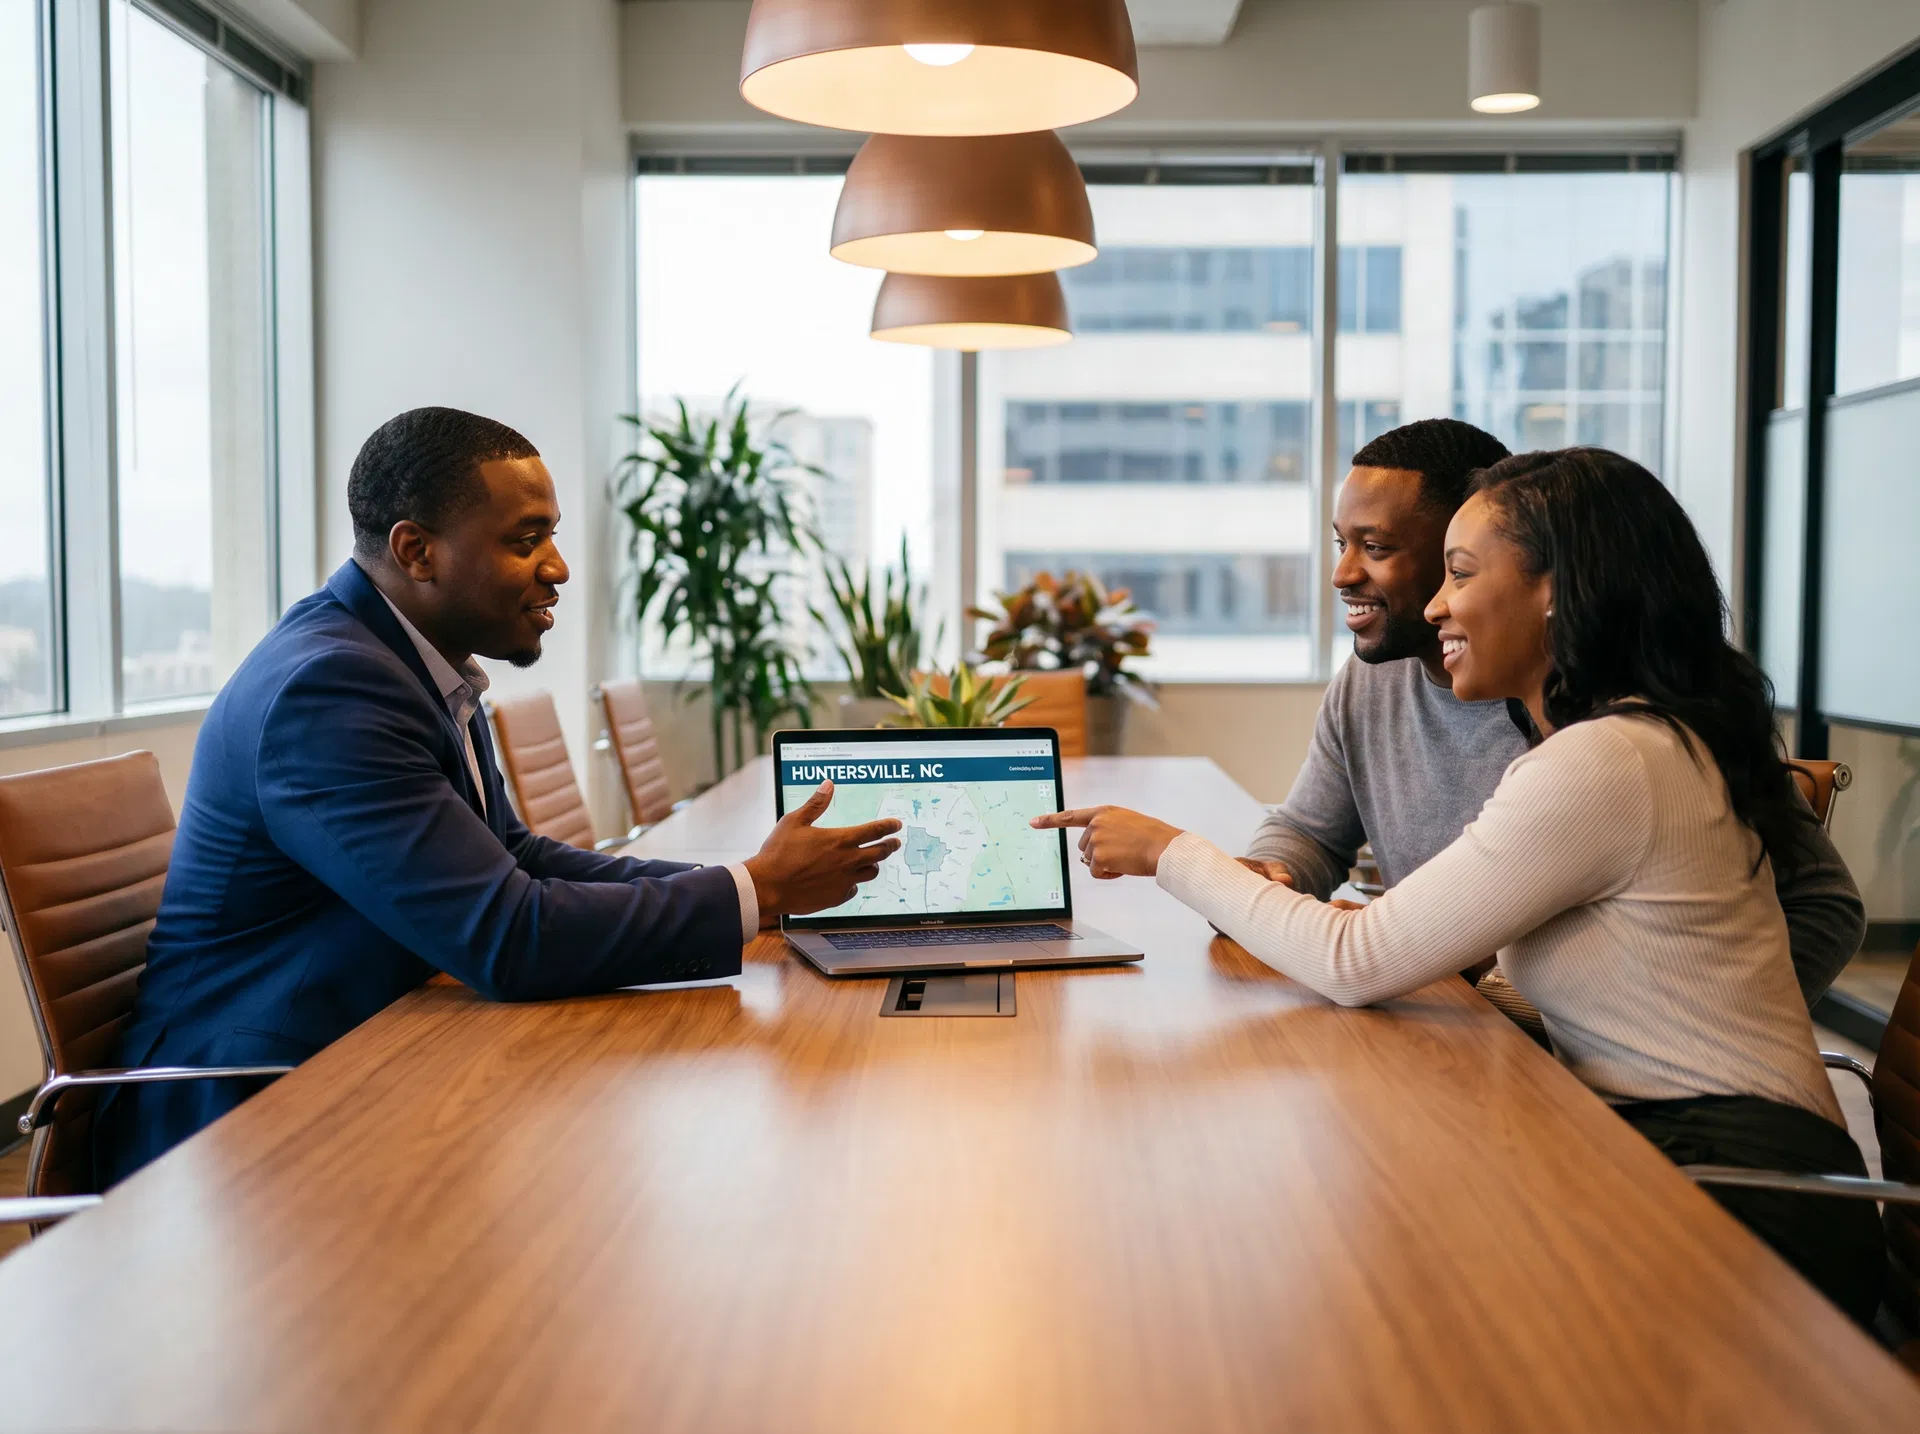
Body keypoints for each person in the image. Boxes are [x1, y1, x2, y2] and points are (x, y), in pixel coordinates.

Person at [1036, 448, 1884, 1325]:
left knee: (1358, 1278)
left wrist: (1171, 852)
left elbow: (1354, 959)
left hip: (1742, 1201)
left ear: (1557, 590)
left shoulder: (1604, 762)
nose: (1437, 603)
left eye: (1460, 571)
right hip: (1668, 1146)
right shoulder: (1631, 742)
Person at [98, 407, 900, 1184]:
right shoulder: (331, 689)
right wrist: (753, 893)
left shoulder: (410, 660)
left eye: (550, 535)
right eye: (527, 540)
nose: (558, 566)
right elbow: (507, 938)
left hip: (372, 1049)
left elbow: (511, 855)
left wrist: (752, 889)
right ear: (417, 551)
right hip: (247, 1115)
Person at [1242, 419, 1862, 1005]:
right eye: (1341, 543)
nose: (1342, 574)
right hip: (1478, 1034)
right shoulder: (1368, 685)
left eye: (1375, 547)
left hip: (1603, 1079)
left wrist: (1659, 1037)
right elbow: (1311, 833)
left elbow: (1823, 908)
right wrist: (1272, 875)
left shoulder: (1613, 728)